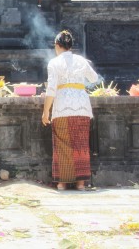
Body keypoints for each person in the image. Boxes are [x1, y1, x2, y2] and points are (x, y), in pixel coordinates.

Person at [42, 30, 99, 191]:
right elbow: (94, 78)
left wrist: (46, 111)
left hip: (62, 107)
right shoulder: (81, 60)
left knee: (62, 145)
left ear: (57, 46)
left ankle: (62, 183)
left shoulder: (54, 62)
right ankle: (81, 184)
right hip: (82, 106)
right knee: (81, 144)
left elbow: (51, 89)